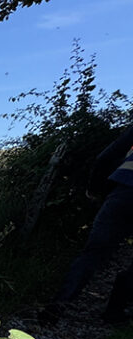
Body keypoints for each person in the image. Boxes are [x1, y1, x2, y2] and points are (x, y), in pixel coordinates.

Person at [39, 123, 133, 325]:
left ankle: (59, 304)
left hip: (123, 193)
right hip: (123, 192)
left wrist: (95, 190)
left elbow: (105, 158)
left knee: (93, 252)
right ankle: (115, 310)